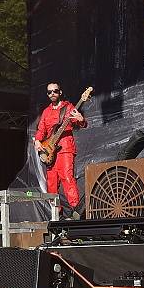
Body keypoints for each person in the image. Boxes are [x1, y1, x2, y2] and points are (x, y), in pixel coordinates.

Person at [34, 81, 88, 219]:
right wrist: (38, 141)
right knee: (51, 183)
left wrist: (81, 119)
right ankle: (56, 213)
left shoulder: (68, 107)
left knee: (67, 178)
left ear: (60, 92)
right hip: (50, 151)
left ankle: (77, 211)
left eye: (55, 91)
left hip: (65, 148)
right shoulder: (46, 112)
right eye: (49, 92)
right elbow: (41, 130)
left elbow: (80, 123)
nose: (52, 93)